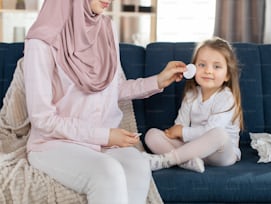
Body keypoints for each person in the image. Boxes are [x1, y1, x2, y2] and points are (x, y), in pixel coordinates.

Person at [23, 0, 186, 203]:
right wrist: (105, 135)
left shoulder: (106, 29)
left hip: (99, 143)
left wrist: (158, 80)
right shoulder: (40, 42)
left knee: (138, 165)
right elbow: (43, 119)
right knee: (108, 172)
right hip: (54, 144)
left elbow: (111, 89)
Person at [142, 37, 244, 173]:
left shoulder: (226, 97)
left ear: (227, 75)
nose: (208, 71)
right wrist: (175, 132)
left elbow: (208, 130)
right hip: (194, 150)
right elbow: (180, 124)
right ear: (194, 69)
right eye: (202, 65)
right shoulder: (192, 95)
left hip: (221, 154)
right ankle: (188, 161)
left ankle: (168, 159)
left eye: (216, 66)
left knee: (219, 134)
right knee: (152, 135)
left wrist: (182, 132)